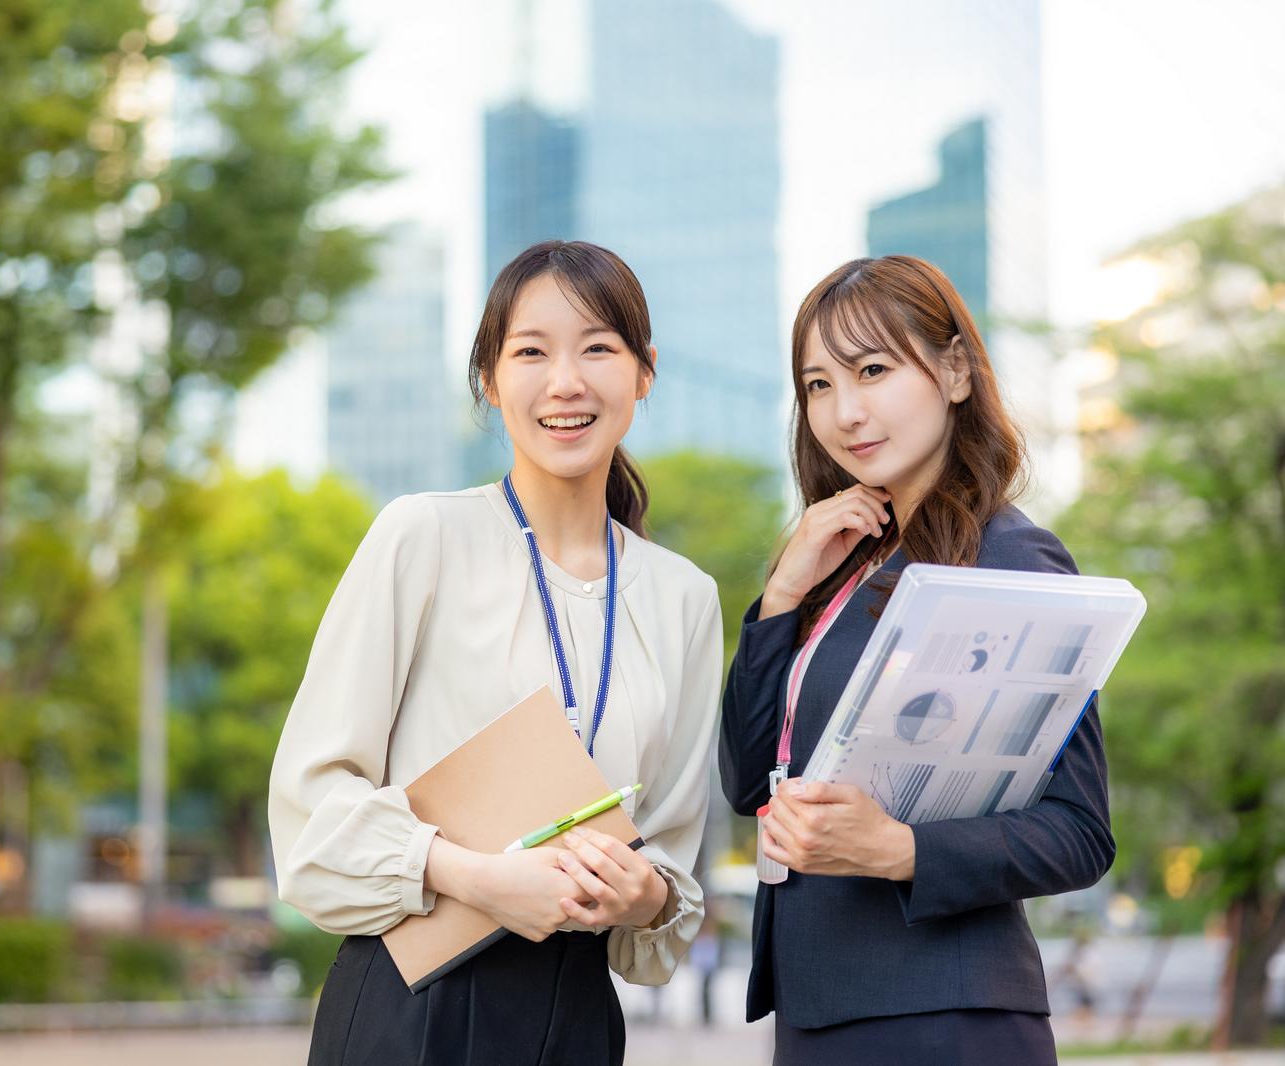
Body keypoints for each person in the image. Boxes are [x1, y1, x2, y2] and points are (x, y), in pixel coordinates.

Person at [270, 240, 723, 1065]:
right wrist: (478, 878)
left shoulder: (684, 596)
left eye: (598, 348)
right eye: (531, 352)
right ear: (489, 377)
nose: (566, 382)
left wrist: (641, 893)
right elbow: (311, 813)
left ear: (644, 371)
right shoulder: (423, 536)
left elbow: (673, 873)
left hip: (578, 1016)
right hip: (415, 1006)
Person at [718, 255, 1115, 1064]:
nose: (845, 411)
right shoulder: (839, 563)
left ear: (956, 371)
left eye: (872, 370)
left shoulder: (1009, 559)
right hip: (819, 1009)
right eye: (819, 385)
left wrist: (899, 851)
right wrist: (783, 593)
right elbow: (745, 776)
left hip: (942, 1015)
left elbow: (1080, 831)